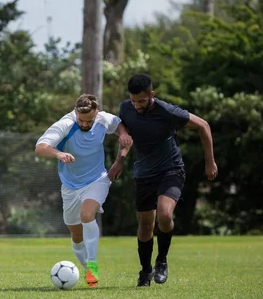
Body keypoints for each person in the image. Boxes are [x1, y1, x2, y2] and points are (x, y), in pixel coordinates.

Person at [108, 73, 217, 287]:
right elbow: (125, 137)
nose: (137, 105)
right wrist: (119, 160)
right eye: (133, 100)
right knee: (145, 225)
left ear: (151, 95)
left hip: (171, 170)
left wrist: (210, 162)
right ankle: (145, 271)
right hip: (143, 173)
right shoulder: (126, 109)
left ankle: (162, 260)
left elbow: (203, 125)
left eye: (141, 100)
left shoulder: (167, 112)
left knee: (165, 215)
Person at [36, 94, 133, 288]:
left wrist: (122, 135)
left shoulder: (103, 119)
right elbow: (40, 147)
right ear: (75, 112)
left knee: (87, 214)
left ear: (96, 114)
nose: (84, 123)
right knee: (76, 235)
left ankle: (93, 265)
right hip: (70, 187)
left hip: (97, 179)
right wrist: (59, 153)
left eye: (89, 120)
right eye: (81, 119)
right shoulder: (66, 124)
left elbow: (118, 124)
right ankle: (86, 267)